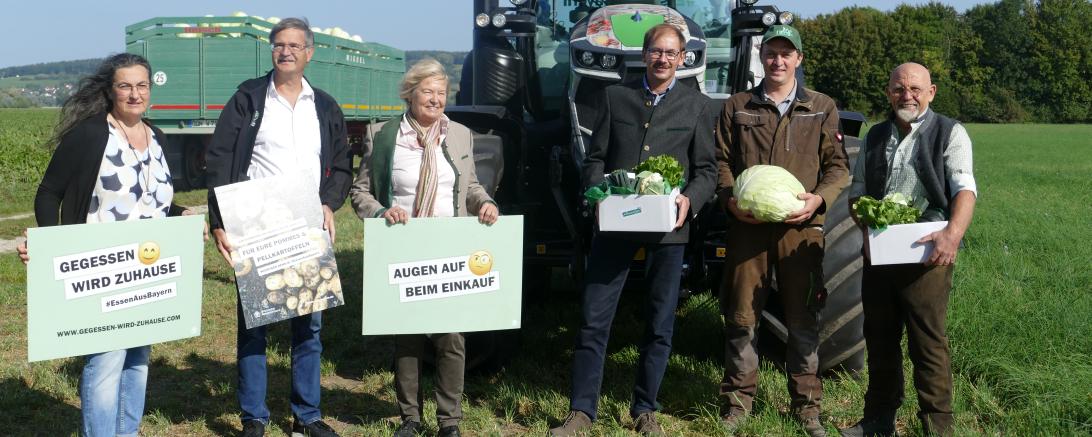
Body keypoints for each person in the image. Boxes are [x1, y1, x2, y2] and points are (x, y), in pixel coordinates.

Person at [15, 53, 199, 437]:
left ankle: (125, 432)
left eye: (142, 85)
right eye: (125, 86)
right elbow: (49, 193)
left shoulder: (157, 137)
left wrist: (180, 214)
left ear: (151, 89)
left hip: (147, 270)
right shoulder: (91, 134)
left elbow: (150, 201)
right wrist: (53, 247)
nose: (135, 93)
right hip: (102, 270)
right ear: (111, 90)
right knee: (106, 359)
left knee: (138, 359)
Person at [550, 24, 717, 437]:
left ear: (682, 60)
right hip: (617, 226)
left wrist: (690, 200)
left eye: (671, 53)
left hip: (668, 232)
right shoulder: (615, 98)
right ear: (644, 55)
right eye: (656, 52)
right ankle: (581, 412)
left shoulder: (697, 107)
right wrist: (598, 192)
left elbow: (707, 170)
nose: (663, 59)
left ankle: (645, 410)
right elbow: (596, 158)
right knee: (593, 319)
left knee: (659, 325)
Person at [204, 17, 351, 437]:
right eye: (278, 45)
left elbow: (341, 163)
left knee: (309, 326)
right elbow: (219, 161)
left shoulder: (323, 105)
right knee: (255, 325)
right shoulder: (248, 99)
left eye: (294, 45)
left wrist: (329, 203)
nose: (285, 51)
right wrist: (219, 222)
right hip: (256, 224)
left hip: (305, 225)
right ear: (272, 51)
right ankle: (254, 417)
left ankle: (307, 417)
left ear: (309, 53)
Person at [349, 58, 499, 437]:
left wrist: (484, 202)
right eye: (427, 91)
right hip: (404, 246)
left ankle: (449, 421)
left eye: (441, 93)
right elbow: (360, 192)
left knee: (451, 336)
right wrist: (382, 211)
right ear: (410, 93)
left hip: (449, 247)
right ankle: (410, 419)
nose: (435, 99)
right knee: (409, 337)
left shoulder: (461, 135)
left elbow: (472, 186)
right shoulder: (383, 135)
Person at [714, 24, 848, 437]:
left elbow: (838, 168)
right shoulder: (737, 105)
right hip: (748, 228)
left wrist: (817, 200)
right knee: (742, 318)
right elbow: (720, 163)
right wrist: (731, 201)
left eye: (786, 53)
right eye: (771, 53)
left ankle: (807, 409)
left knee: (803, 317)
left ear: (798, 59)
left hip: (801, 230)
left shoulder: (821, 106)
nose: (777, 60)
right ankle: (737, 404)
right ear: (761, 57)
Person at [840, 62, 977, 437]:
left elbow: (964, 189)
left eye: (916, 89)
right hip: (882, 254)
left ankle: (937, 427)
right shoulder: (875, 135)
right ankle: (878, 421)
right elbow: (858, 193)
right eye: (899, 89)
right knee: (879, 338)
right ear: (889, 93)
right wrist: (865, 231)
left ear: (931, 92)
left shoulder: (950, 132)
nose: (908, 96)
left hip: (927, 255)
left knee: (927, 343)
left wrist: (952, 235)